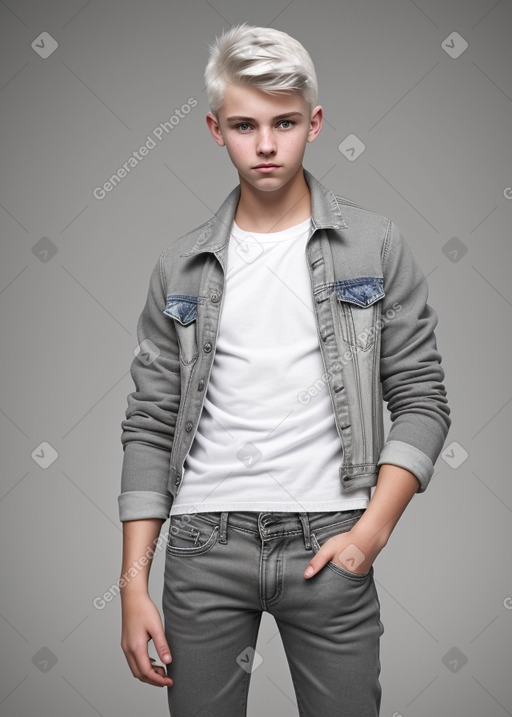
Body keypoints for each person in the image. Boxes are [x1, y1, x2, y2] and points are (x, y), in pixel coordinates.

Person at [118, 23, 451, 717]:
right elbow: (149, 426)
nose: (266, 144)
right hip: (204, 547)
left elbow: (421, 400)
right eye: (244, 125)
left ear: (315, 122)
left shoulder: (375, 245)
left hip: (329, 538)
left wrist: (369, 534)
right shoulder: (178, 265)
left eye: (285, 123)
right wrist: (132, 584)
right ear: (215, 129)